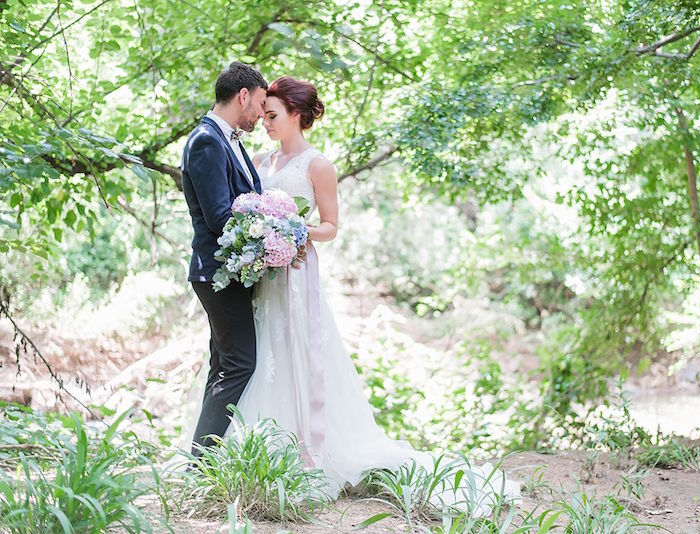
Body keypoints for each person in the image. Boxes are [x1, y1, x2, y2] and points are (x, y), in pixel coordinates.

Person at [231, 75, 520, 508]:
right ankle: (262, 452)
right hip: (263, 275)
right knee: (264, 354)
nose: (266, 122)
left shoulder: (317, 165)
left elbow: (330, 227)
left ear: (296, 115)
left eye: (273, 116)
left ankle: (309, 452)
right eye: (264, 115)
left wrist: (294, 232)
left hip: (296, 272)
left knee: (300, 354)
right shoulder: (261, 159)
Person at [180, 62, 268, 457]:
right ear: (243, 95)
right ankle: (201, 464)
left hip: (232, 271)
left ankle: (201, 464)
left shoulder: (228, 139)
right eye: (260, 104)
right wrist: (270, 232)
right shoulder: (206, 140)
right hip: (217, 270)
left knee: (223, 366)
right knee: (239, 364)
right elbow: (220, 217)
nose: (260, 114)